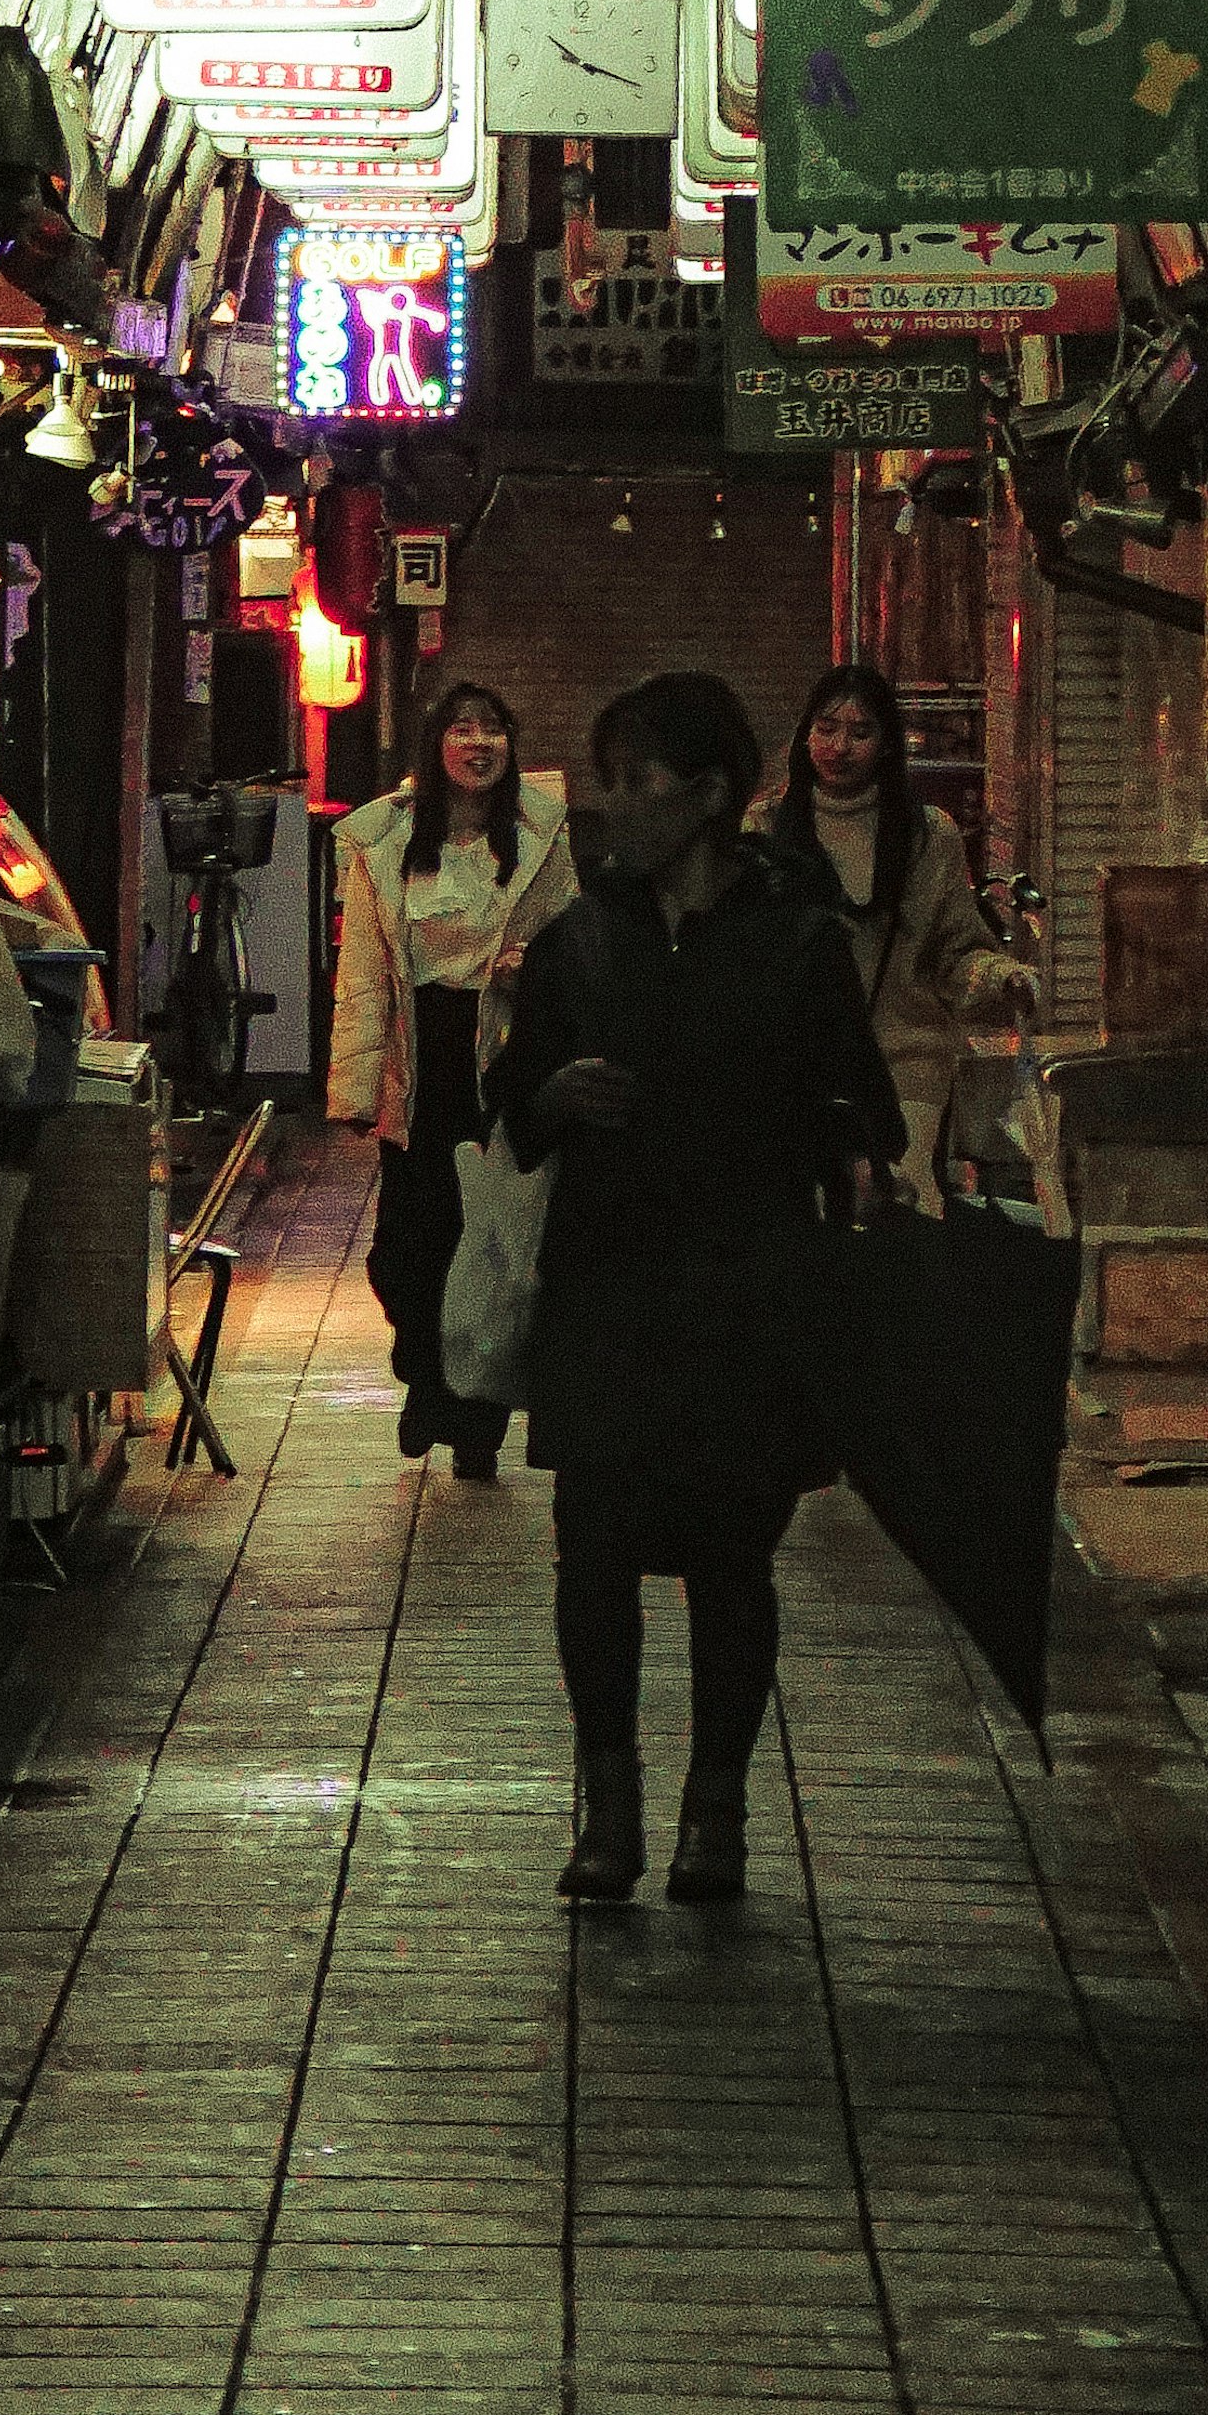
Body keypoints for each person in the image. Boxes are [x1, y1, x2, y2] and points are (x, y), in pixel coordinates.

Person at [492, 668, 901, 1909]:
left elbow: (863, 1112)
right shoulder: (584, 936)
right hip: (609, 1288)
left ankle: (713, 1814)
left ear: (711, 795)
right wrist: (554, 1095)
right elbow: (509, 1104)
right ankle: (607, 1807)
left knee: (734, 1559)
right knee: (593, 1551)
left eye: (635, 782)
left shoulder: (794, 938)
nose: (611, 807)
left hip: (745, 1290)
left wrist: (823, 1141)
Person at [327, 679, 573, 1481]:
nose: (480, 742)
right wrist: (355, 1088)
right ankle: (427, 1373)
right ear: (435, 748)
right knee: (407, 1248)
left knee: (493, 1245)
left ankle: (476, 1415)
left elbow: (573, 942)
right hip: (418, 1056)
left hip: (501, 1055)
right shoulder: (388, 842)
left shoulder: (543, 838)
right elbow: (363, 972)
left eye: (494, 728)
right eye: (463, 728)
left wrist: (533, 971)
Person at [761, 661, 1037, 1212]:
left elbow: (955, 951)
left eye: (860, 733)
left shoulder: (927, 835)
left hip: (906, 1064)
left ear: (887, 745)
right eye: (825, 728)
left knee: (897, 1209)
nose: (839, 746)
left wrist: (1004, 978)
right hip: (797, 1072)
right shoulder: (766, 829)